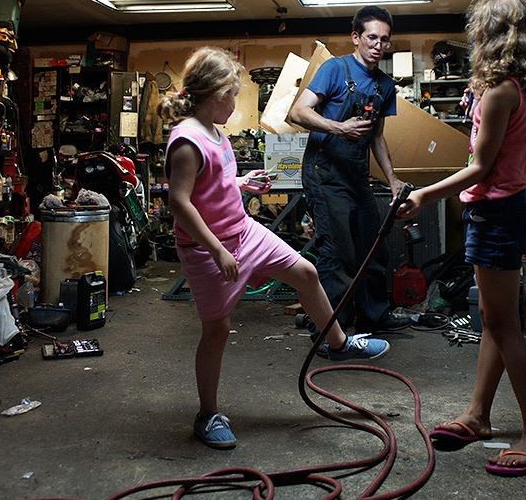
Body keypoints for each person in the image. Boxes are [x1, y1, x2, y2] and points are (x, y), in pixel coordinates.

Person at [159, 47, 389, 451]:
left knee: (305, 272)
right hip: (209, 248)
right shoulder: (187, 141)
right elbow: (180, 202)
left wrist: (241, 184)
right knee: (217, 331)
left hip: (244, 232)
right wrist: (216, 250)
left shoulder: (214, 130)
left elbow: (210, 185)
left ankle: (336, 344)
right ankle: (207, 414)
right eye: (232, 94)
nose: (236, 102)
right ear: (213, 93)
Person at [396, 0, 526, 477]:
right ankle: (479, 415)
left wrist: (424, 195)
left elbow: (480, 168)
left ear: (489, 38)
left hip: (497, 213)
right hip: (509, 210)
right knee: (493, 318)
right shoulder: (525, 88)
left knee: (506, 326)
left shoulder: (499, 94)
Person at [287, 5, 410, 334]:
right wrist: (338, 128)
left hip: (356, 176)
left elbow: (377, 137)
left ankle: (374, 316)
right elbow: (298, 112)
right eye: (371, 37)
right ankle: (332, 333)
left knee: (374, 247)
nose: (378, 45)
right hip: (324, 173)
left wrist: (393, 179)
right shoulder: (335, 70)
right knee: (339, 253)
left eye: (384, 40)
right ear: (356, 38)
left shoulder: (385, 85)